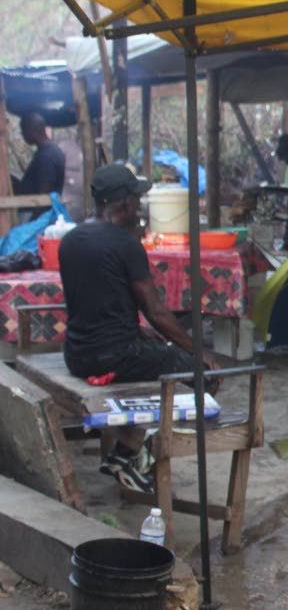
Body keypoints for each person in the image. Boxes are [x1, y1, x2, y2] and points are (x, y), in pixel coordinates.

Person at [59, 164, 219, 491]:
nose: (139, 206)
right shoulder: (125, 244)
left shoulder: (70, 241)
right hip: (114, 357)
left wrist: (134, 329)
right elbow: (157, 312)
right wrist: (197, 350)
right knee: (204, 375)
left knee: (157, 355)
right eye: (137, 199)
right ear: (124, 204)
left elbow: (94, 301)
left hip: (77, 355)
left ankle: (125, 452)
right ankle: (132, 454)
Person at [14, 112, 66, 213]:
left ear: (31, 131)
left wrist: (33, 223)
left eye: (23, 131)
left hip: (37, 215)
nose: (23, 135)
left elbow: (44, 194)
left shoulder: (46, 156)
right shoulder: (49, 151)